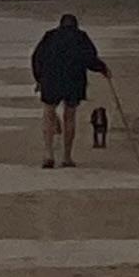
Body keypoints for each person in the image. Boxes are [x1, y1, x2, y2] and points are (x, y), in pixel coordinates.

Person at [30, 11, 107, 167]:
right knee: (69, 116)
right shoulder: (81, 37)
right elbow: (90, 58)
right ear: (76, 25)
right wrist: (103, 69)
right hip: (74, 80)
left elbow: (37, 57)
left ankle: (48, 154)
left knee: (48, 113)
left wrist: (38, 79)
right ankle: (66, 157)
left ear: (60, 24)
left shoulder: (50, 36)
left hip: (51, 79)